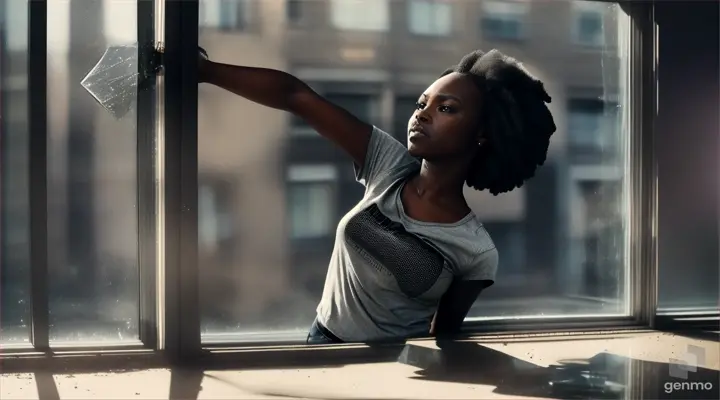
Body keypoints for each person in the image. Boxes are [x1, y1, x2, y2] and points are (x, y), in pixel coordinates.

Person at [197, 48, 556, 344]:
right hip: (320, 346)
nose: (422, 116)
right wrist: (204, 70)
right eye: (421, 105)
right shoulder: (388, 164)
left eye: (445, 108)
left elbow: (443, 340)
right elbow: (296, 96)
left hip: (393, 373)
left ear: (482, 133)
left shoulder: (476, 251)